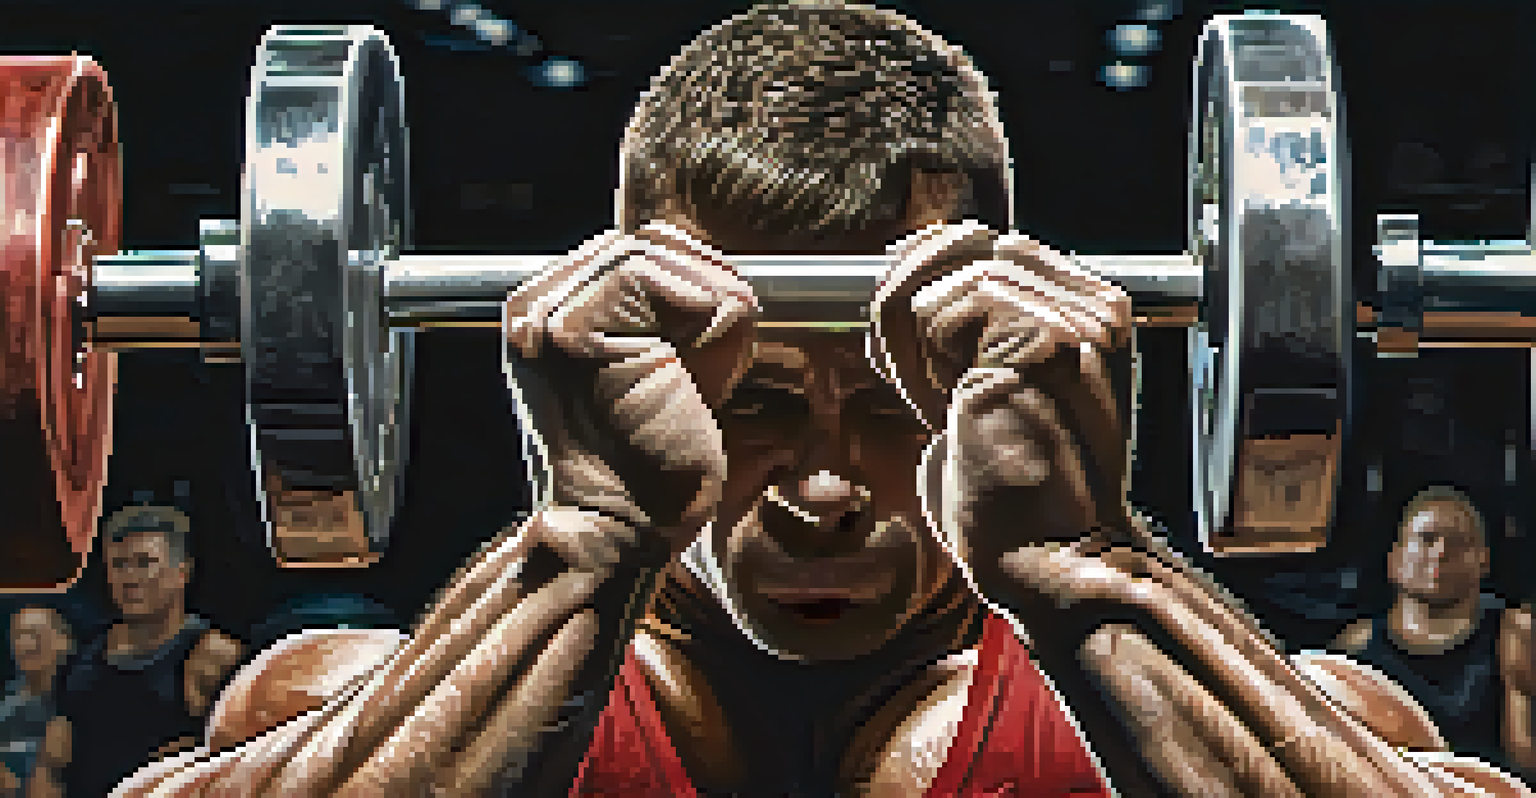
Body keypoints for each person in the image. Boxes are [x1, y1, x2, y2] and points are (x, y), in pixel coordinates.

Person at [113, 3, 1533, 796]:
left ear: (985, 377)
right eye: (755, 404)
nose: (828, 483)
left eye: (894, 401)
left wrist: (1088, 569)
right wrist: (589, 538)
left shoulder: (1276, 724)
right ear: (637, 369)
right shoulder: (334, 707)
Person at [29, 505, 243, 798]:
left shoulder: (214, 657)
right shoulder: (83, 659)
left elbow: (253, 768)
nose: (130, 578)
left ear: (182, 571)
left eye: (145, 563)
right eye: (119, 564)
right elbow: (51, 767)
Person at [1331, 486, 1534, 779]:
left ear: (1484, 561)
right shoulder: (1355, 646)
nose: (1440, 552)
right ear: (1395, 561)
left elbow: (1524, 769)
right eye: (1426, 540)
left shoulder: (1514, 634)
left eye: (1459, 542)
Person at [0, 607, 73, 797]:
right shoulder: (6, 702)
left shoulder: (85, 696)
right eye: (18, 636)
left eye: (35, 633)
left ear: (64, 641)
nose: (26, 643)